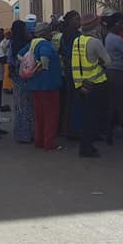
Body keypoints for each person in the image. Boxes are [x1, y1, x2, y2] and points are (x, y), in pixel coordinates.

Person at [73, 13, 112, 158]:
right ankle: (87, 148)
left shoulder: (77, 41)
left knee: (85, 117)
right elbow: (108, 61)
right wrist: (99, 63)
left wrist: (79, 84)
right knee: (93, 117)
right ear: (95, 27)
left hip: (81, 85)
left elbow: (76, 64)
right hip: (95, 85)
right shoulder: (95, 42)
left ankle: (86, 146)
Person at [22, 22, 63, 151]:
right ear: (45, 33)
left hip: (35, 85)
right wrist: (38, 68)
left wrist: (30, 69)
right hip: (48, 84)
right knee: (51, 115)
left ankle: (39, 140)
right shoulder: (45, 44)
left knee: (39, 115)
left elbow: (19, 55)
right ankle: (49, 143)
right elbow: (45, 62)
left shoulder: (32, 44)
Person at [102, 12, 123, 145]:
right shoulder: (117, 39)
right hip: (119, 74)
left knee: (111, 104)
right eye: (121, 23)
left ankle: (109, 136)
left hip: (109, 72)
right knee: (121, 104)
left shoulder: (108, 37)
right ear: (116, 24)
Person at [8, 20, 35, 144]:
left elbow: (10, 60)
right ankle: (30, 133)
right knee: (29, 105)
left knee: (19, 106)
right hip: (27, 76)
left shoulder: (12, 43)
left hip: (17, 77)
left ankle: (21, 134)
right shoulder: (28, 43)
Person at [59, 12, 85, 139]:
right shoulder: (77, 36)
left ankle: (66, 129)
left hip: (68, 70)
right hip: (77, 72)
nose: (79, 21)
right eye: (76, 19)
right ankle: (76, 129)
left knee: (68, 100)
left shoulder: (64, 36)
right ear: (70, 21)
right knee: (76, 101)